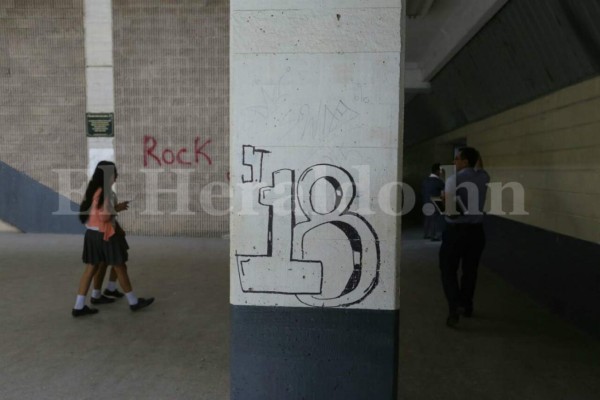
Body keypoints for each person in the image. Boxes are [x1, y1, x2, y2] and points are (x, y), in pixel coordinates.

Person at [72, 161, 154, 317]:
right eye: (115, 174)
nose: (116, 177)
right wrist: (118, 208)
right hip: (105, 234)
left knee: (91, 269)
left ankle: (79, 305)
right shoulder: (106, 193)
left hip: (91, 234)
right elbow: (104, 216)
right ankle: (133, 302)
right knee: (120, 266)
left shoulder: (92, 190)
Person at [439, 147, 489, 327]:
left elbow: (451, 212)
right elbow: (480, 166)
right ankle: (466, 305)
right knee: (470, 271)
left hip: (455, 232)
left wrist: (444, 199)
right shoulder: (484, 177)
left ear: (465, 161)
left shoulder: (454, 179)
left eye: (457, 159)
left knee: (448, 269)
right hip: (476, 232)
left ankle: (454, 307)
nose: (454, 162)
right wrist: (476, 153)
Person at [422, 163, 445, 241]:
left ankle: (426, 234)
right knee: (434, 219)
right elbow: (443, 194)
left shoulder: (425, 181)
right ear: (437, 171)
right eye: (441, 170)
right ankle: (433, 235)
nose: (441, 172)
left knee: (427, 218)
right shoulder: (439, 181)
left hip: (425, 202)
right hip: (435, 203)